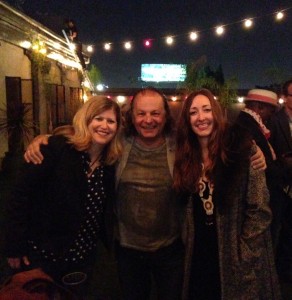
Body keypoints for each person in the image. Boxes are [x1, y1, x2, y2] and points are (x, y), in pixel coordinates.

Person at [23, 87, 266, 300]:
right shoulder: (119, 142)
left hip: (171, 251)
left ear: (165, 116)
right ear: (131, 116)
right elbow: (84, 133)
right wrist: (47, 138)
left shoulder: (180, 144)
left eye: (155, 113)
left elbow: (220, 139)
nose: (148, 120)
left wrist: (252, 148)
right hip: (127, 251)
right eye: (141, 113)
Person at [4, 96, 123, 298]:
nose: (104, 126)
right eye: (98, 119)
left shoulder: (109, 164)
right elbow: (20, 196)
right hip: (42, 254)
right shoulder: (56, 148)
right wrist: (14, 245)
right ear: (86, 121)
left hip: (82, 258)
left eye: (111, 121)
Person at [173, 89, 280, 300]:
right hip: (199, 252)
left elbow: (259, 210)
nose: (201, 117)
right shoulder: (185, 157)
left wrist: (245, 254)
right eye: (193, 112)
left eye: (206, 110)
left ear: (217, 113)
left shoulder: (241, 149)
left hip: (235, 252)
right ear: (187, 119)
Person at [235, 89, 287, 251]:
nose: (271, 115)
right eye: (271, 111)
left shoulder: (250, 123)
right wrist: (285, 168)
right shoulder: (246, 127)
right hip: (259, 199)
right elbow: (264, 166)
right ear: (259, 107)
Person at [267, 79, 292, 282]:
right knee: (277, 229)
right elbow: (268, 156)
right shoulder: (275, 121)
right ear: (285, 97)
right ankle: (274, 274)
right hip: (280, 186)